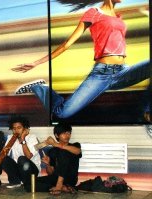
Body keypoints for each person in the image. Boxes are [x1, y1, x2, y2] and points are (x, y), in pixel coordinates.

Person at [13, 0, 151, 121]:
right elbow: (67, 44)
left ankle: (148, 111)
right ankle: (40, 87)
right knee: (62, 113)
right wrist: (36, 63)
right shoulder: (93, 13)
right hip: (101, 74)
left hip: (122, 73)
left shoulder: (118, 17)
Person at [22, 123, 82, 195]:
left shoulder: (75, 145)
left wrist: (55, 144)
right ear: (57, 135)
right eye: (64, 133)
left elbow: (78, 151)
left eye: (69, 133)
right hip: (55, 178)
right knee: (29, 183)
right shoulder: (52, 151)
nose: (67, 136)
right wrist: (48, 164)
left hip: (70, 178)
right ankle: (60, 188)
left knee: (63, 152)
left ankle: (59, 185)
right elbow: (51, 173)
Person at [1, 115, 41, 188]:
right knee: (3, 158)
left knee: (22, 159)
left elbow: (28, 156)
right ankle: (15, 182)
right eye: (14, 128)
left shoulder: (32, 137)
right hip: (19, 170)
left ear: (25, 128)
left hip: (32, 170)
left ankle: (27, 183)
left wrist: (23, 140)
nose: (16, 131)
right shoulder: (10, 137)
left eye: (19, 128)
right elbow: (4, 154)